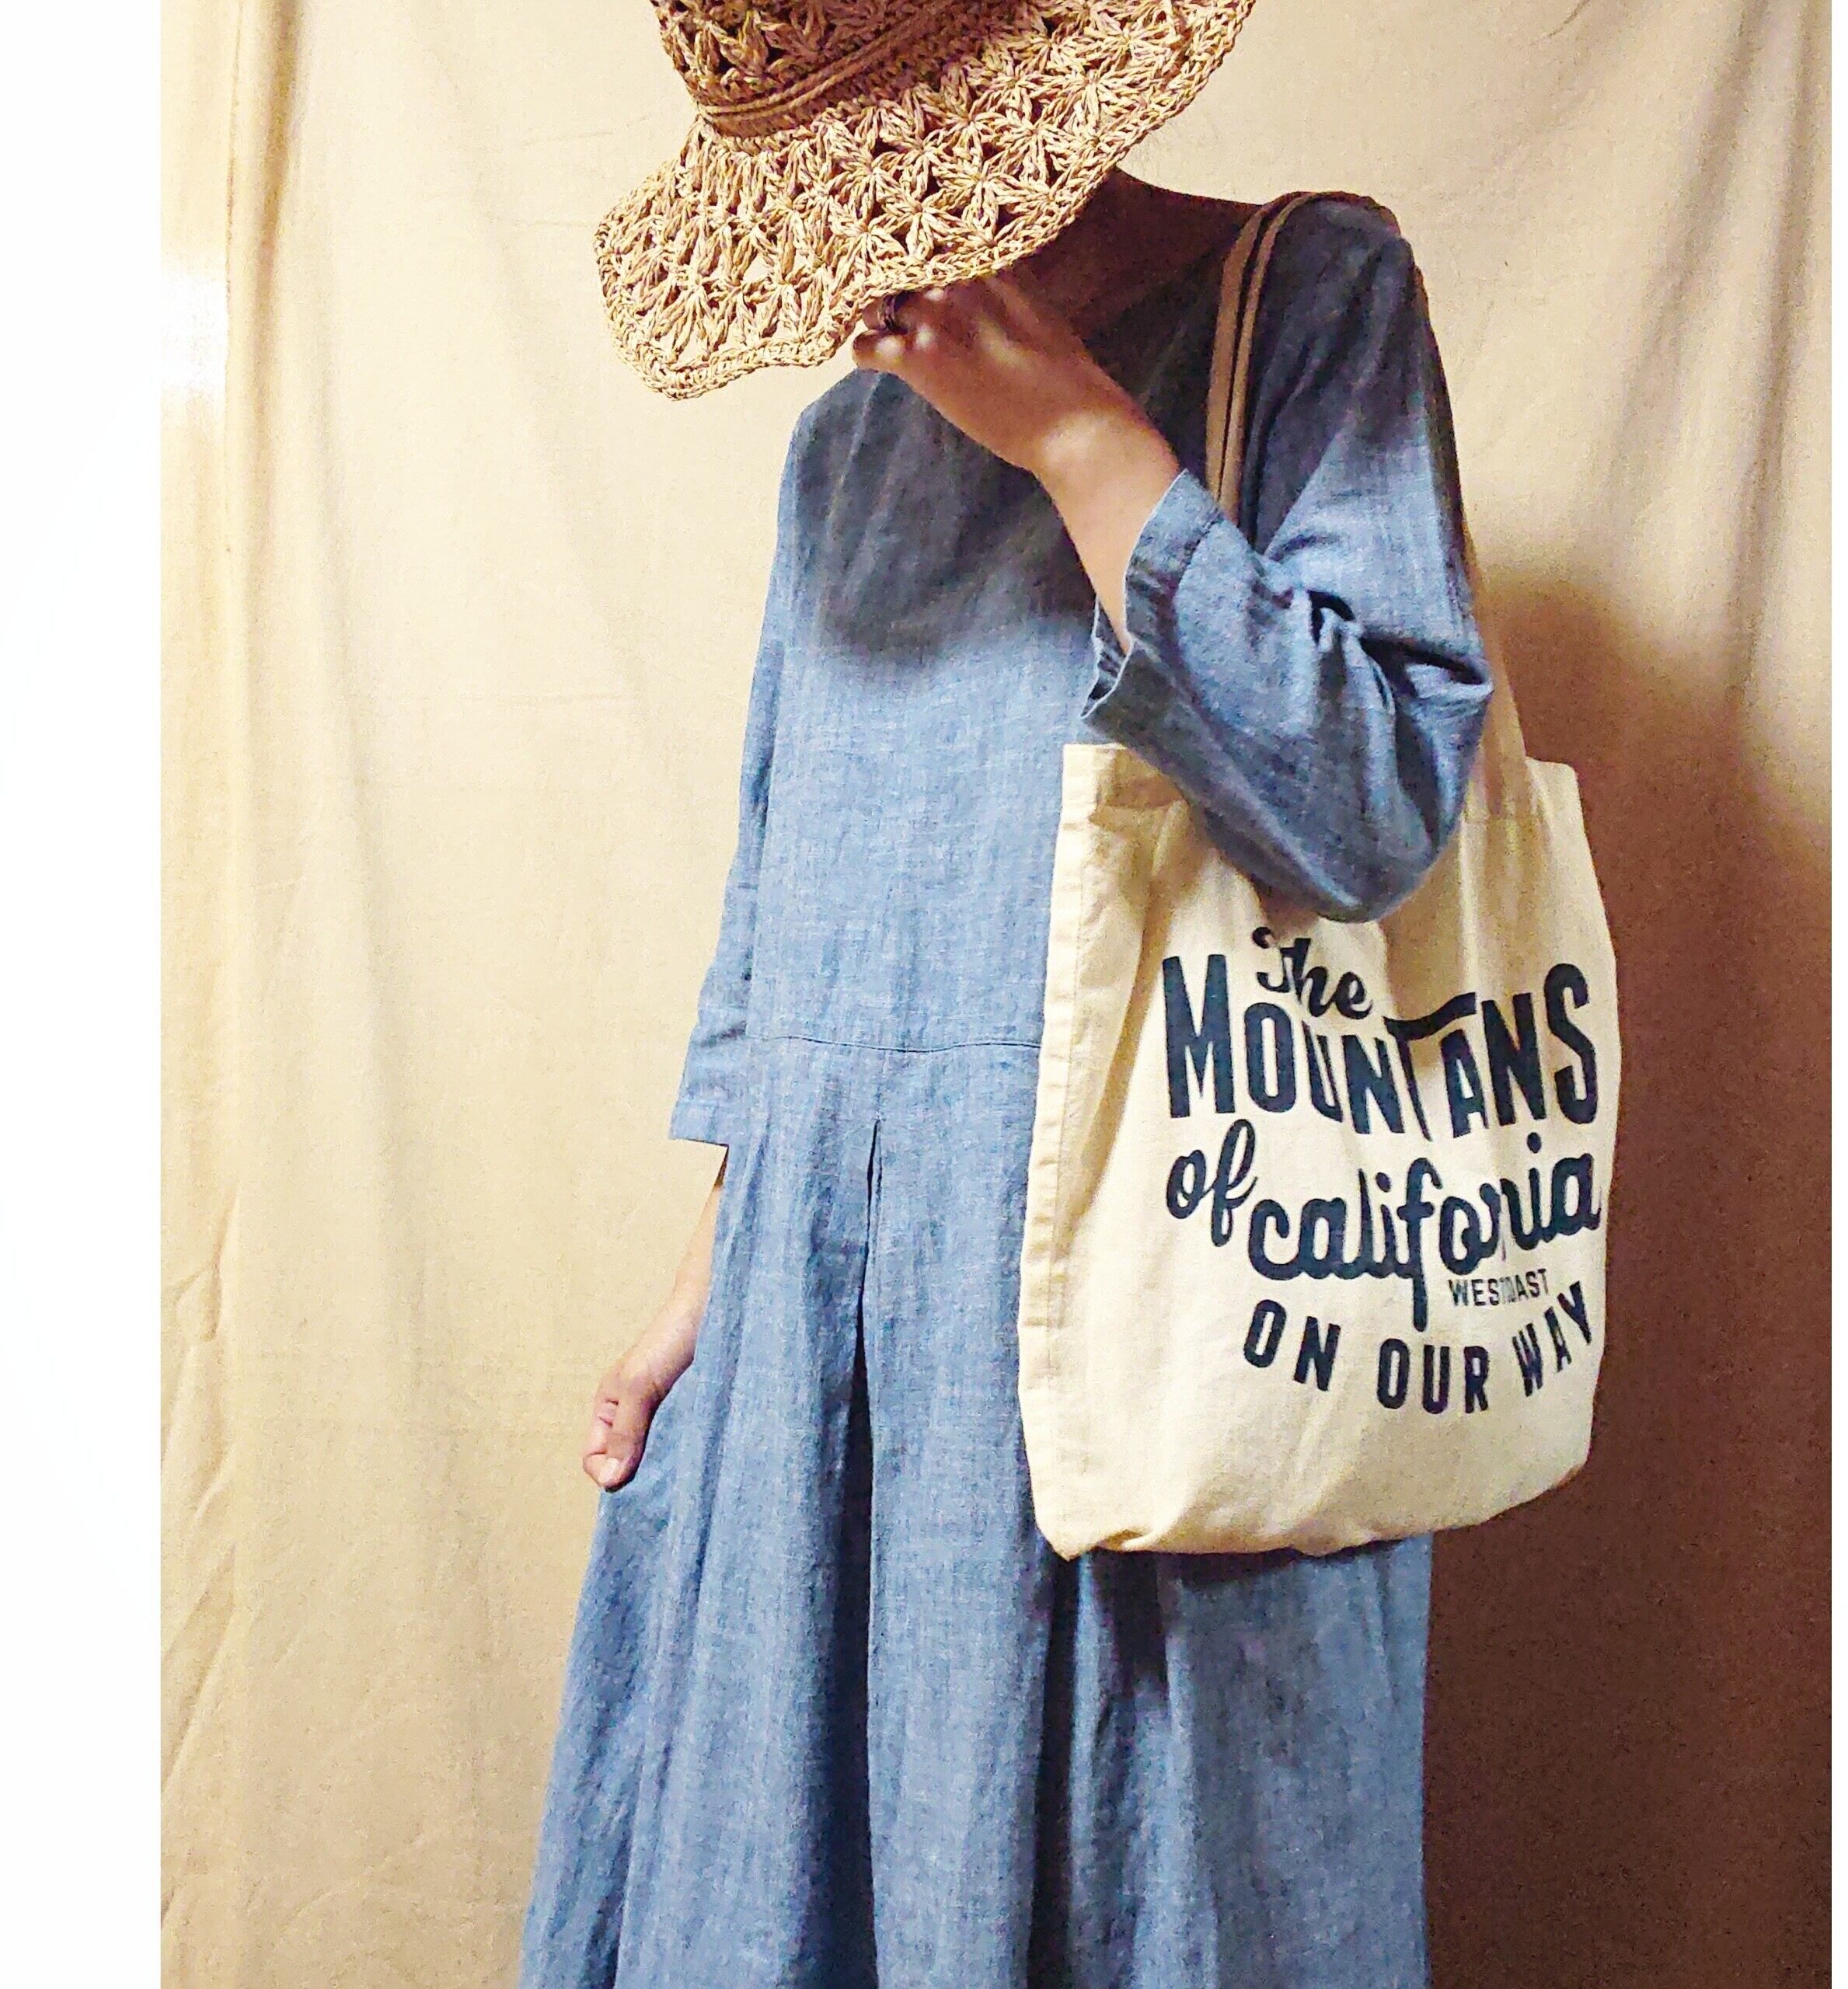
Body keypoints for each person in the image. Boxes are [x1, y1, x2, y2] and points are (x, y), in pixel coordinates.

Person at [521, 9, 1493, 1986]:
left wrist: (1083, 449)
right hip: (831, 1346)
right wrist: (713, 1276)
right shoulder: (840, 447)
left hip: (1156, 1320)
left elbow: (1381, 810)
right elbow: (790, 892)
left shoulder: (1306, 299)